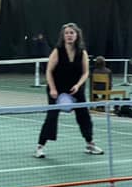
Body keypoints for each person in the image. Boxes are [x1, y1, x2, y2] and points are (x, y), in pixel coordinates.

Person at [34, 23, 103, 158]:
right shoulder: (57, 51)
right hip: (57, 88)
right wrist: (53, 89)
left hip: (75, 88)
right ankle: (39, 147)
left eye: (72, 33)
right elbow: (49, 71)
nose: (69, 35)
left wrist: (78, 86)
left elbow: (85, 72)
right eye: (67, 33)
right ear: (63, 36)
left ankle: (90, 144)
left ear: (77, 35)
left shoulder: (82, 52)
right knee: (52, 117)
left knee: (84, 116)